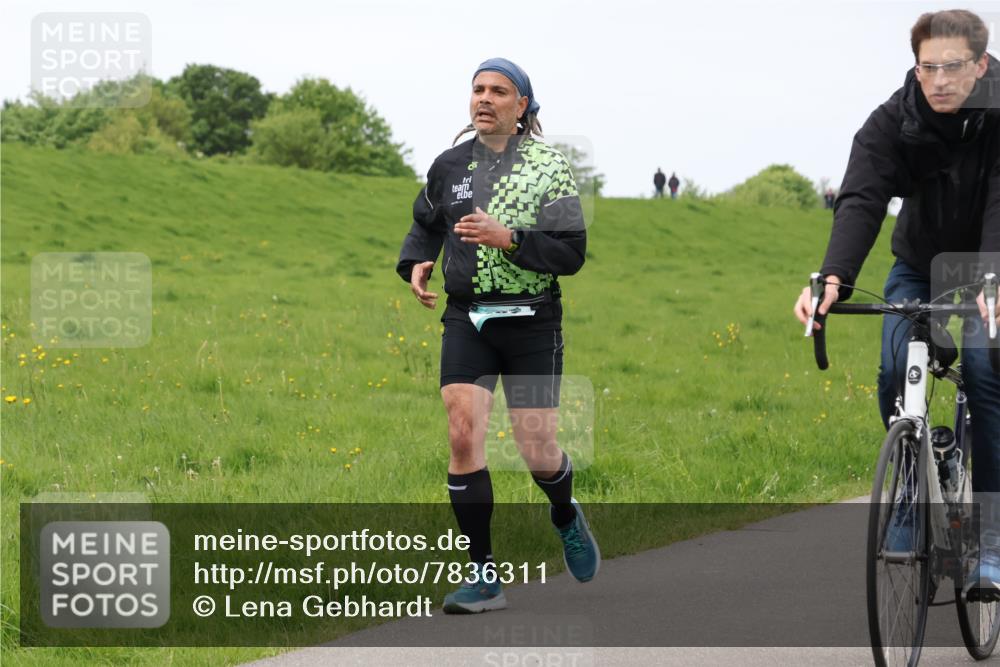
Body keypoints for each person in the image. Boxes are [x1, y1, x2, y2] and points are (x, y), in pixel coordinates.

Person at [793, 10, 1000, 591]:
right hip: (920, 264)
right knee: (894, 364)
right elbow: (861, 196)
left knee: (986, 373)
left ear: (980, 65)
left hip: (990, 265)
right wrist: (833, 277)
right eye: (927, 66)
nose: (938, 79)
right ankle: (912, 495)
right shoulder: (893, 119)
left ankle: (991, 537)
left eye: (952, 67)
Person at [396, 57, 599, 614]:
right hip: (468, 319)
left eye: (499, 91)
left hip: (533, 320)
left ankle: (564, 513)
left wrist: (507, 237)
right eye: (478, 89)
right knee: (462, 433)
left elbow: (571, 253)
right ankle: (483, 577)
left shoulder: (549, 168)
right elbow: (427, 220)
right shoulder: (450, 164)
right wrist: (418, 260)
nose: (484, 99)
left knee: (537, 453)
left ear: (522, 106)